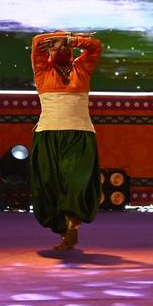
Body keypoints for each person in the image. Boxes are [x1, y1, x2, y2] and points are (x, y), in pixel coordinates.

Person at [29, 31, 104, 251]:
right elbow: (36, 42)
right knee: (49, 184)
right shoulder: (43, 70)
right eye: (56, 47)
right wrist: (65, 36)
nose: (62, 49)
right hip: (48, 135)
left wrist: (71, 40)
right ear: (49, 51)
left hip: (79, 134)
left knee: (75, 181)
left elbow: (95, 46)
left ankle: (73, 222)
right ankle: (64, 229)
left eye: (66, 47)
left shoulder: (82, 68)